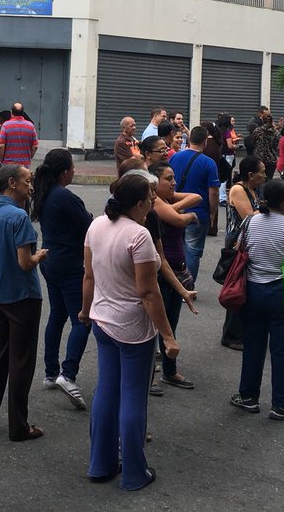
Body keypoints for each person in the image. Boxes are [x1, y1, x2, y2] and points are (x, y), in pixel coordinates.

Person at [81, 170, 177, 491]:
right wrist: (167, 335)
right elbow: (149, 293)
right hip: (134, 328)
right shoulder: (139, 235)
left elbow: (89, 277)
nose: (153, 203)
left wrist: (85, 309)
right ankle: (135, 472)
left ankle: (100, 464)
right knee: (134, 398)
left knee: (106, 392)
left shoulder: (96, 225)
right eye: (150, 200)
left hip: (102, 321)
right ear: (138, 203)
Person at [230, 178, 284, 420]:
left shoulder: (249, 222)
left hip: (252, 291)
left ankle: (247, 396)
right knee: (282, 349)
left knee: (253, 346)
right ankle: (281, 403)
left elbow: (239, 248)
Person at [0, 165, 47, 442]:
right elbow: (25, 263)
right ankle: (19, 425)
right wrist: (40, 255)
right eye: (27, 181)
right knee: (21, 361)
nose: (31, 185)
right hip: (22, 295)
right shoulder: (19, 218)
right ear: (12, 183)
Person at [31, 149, 92, 409]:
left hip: (51, 261)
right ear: (65, 171)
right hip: (70, 264)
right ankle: (68, 374)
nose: (74, 172)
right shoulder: (65, 196)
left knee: (57, 316)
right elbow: (88, 225)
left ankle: (50, 371)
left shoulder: (45, 193)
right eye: (72, 168)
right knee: (82, 319)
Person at [148, 160, 202, 388]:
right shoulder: (155, 204)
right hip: (163, 270)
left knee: (171, 323)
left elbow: (196, 197)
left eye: (173, 178)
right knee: (155, 326)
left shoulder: (167, 200)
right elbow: (178, 219)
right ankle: (148, 376)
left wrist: (176, 206)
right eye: (168, 179)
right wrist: (186, 215)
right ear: (153, 183)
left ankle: (169, 372)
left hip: (177, 269)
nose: (173, 182)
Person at [221, 157, 269, 350]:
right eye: (262, 172)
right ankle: (231, 335)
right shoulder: (238, 189)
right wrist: (268, 209)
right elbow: (249, 218)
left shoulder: (254, 189)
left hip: (251, 245)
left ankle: (242, 331)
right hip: (237, 246)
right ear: (251, 175)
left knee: (247, 289)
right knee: (236, 289)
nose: (265, 175)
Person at [168, 125, 220, 283]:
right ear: (205, 142)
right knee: (192, 251)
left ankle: (173, 284)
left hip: (174, 209)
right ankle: (188, 286)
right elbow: (214, 192)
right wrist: (212, 212)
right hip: (197, 212)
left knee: (175, 247)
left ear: (189, 140)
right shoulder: (209, 163)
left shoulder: (175, 157)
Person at [248, 107, 280, 175]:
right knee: (269, 180)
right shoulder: (276, 132)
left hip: (259, 159)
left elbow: (253, 142)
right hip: (271, 159)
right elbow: (276, 144)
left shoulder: (257, 131)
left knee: (258, 181)